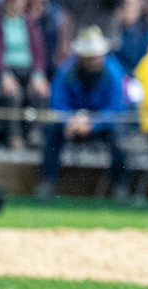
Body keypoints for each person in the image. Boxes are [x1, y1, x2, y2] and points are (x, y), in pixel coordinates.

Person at [38, 28, 129, 203]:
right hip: (72, 123)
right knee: (52, 132)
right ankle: (47, 183)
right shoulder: (66, 70)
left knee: (118, 137)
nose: (95, 59)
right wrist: (70, 121)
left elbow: (116, 108)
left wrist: (92, 123)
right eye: (91, 55)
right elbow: (58, 102)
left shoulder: (113, 71)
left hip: (102, 124)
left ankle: (120, 186)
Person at [0, 0, 48, 148]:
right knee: (13, 94)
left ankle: (36, 133)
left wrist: (38, 74)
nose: (17, 2)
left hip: (29, 70)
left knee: (39, 92)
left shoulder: (30, 22)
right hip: (6, 71)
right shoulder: (0, 23)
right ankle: (14, 136)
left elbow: (39, 52)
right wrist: (4, 74)